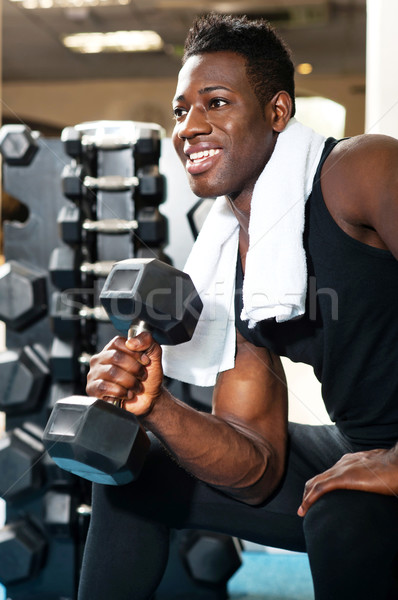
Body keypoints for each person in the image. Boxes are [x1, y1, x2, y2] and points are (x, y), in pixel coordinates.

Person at [78, 13, 398, 600]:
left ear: (277, 112)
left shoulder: (362, 170)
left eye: (216, 103)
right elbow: (256, 471)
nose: (189, 127)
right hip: (364, 445)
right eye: (180, 111)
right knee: (133, 473)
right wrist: (156, 408)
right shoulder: (231, 257)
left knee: (344, 515)